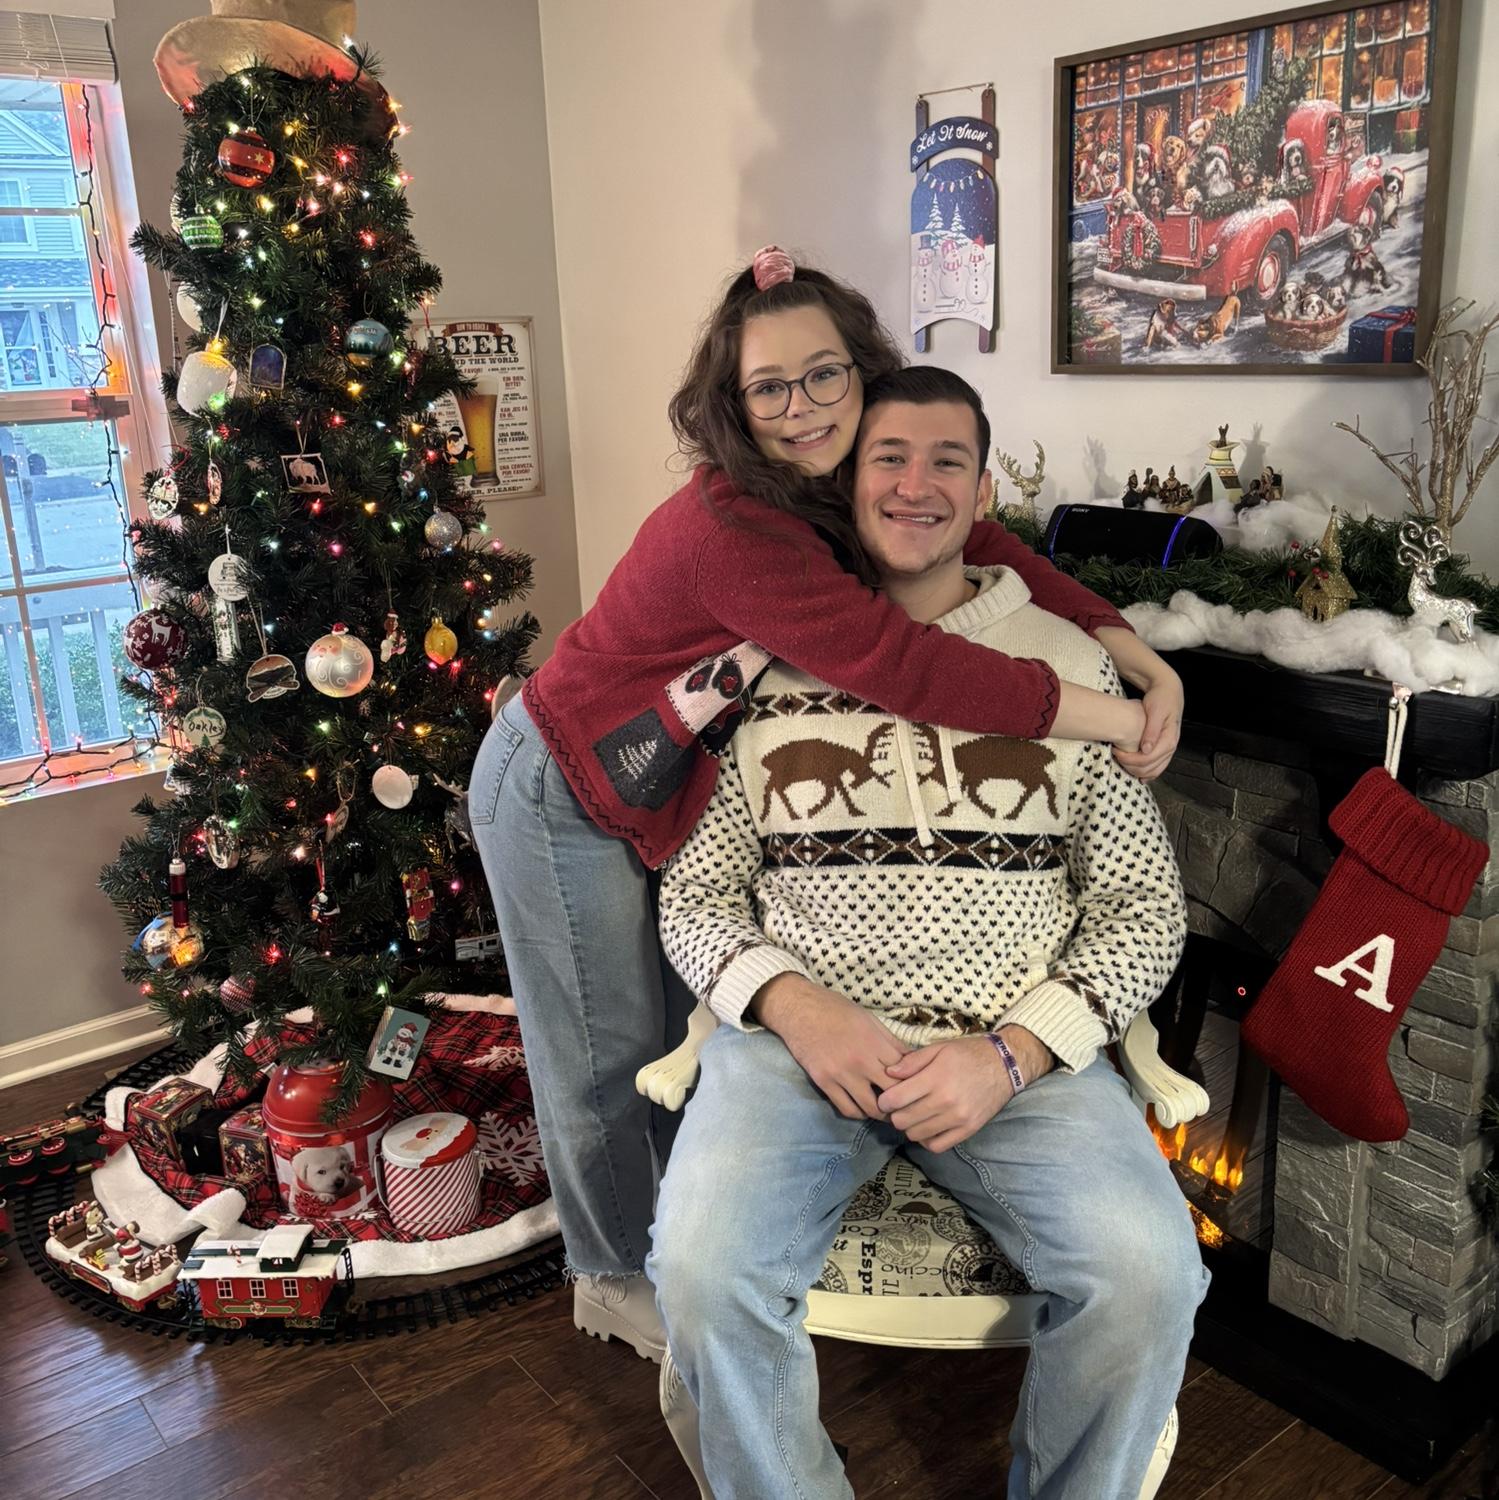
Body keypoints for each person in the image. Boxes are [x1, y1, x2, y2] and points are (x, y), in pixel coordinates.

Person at [469, 247, 1186, 1363]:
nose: (800, 407)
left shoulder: (840, 486)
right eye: (768, 388)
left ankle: (687, 1244)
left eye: (823, 376)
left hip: (665, 768)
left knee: (671, 1015)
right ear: (732, 403)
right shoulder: (737, 526)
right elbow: (914, 670)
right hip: (563, 777)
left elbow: (989, 539)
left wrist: (1122, 641)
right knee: (606, 1050)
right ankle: (611, 1273)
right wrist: (1110, 715)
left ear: (863, 373)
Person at [650, 367, 1204, 1498]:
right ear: (848, 482)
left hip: (1013, 1052)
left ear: (983, 489)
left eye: (947, 460)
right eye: (888, 458)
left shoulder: (1070, 666)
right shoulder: (769, 662)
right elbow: (694, 896)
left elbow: (1146, 907)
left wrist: (1017, 1051)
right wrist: (798, 1010)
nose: (916, 484)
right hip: (801, 1051)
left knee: (1149, 1275)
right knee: (704, 1272)